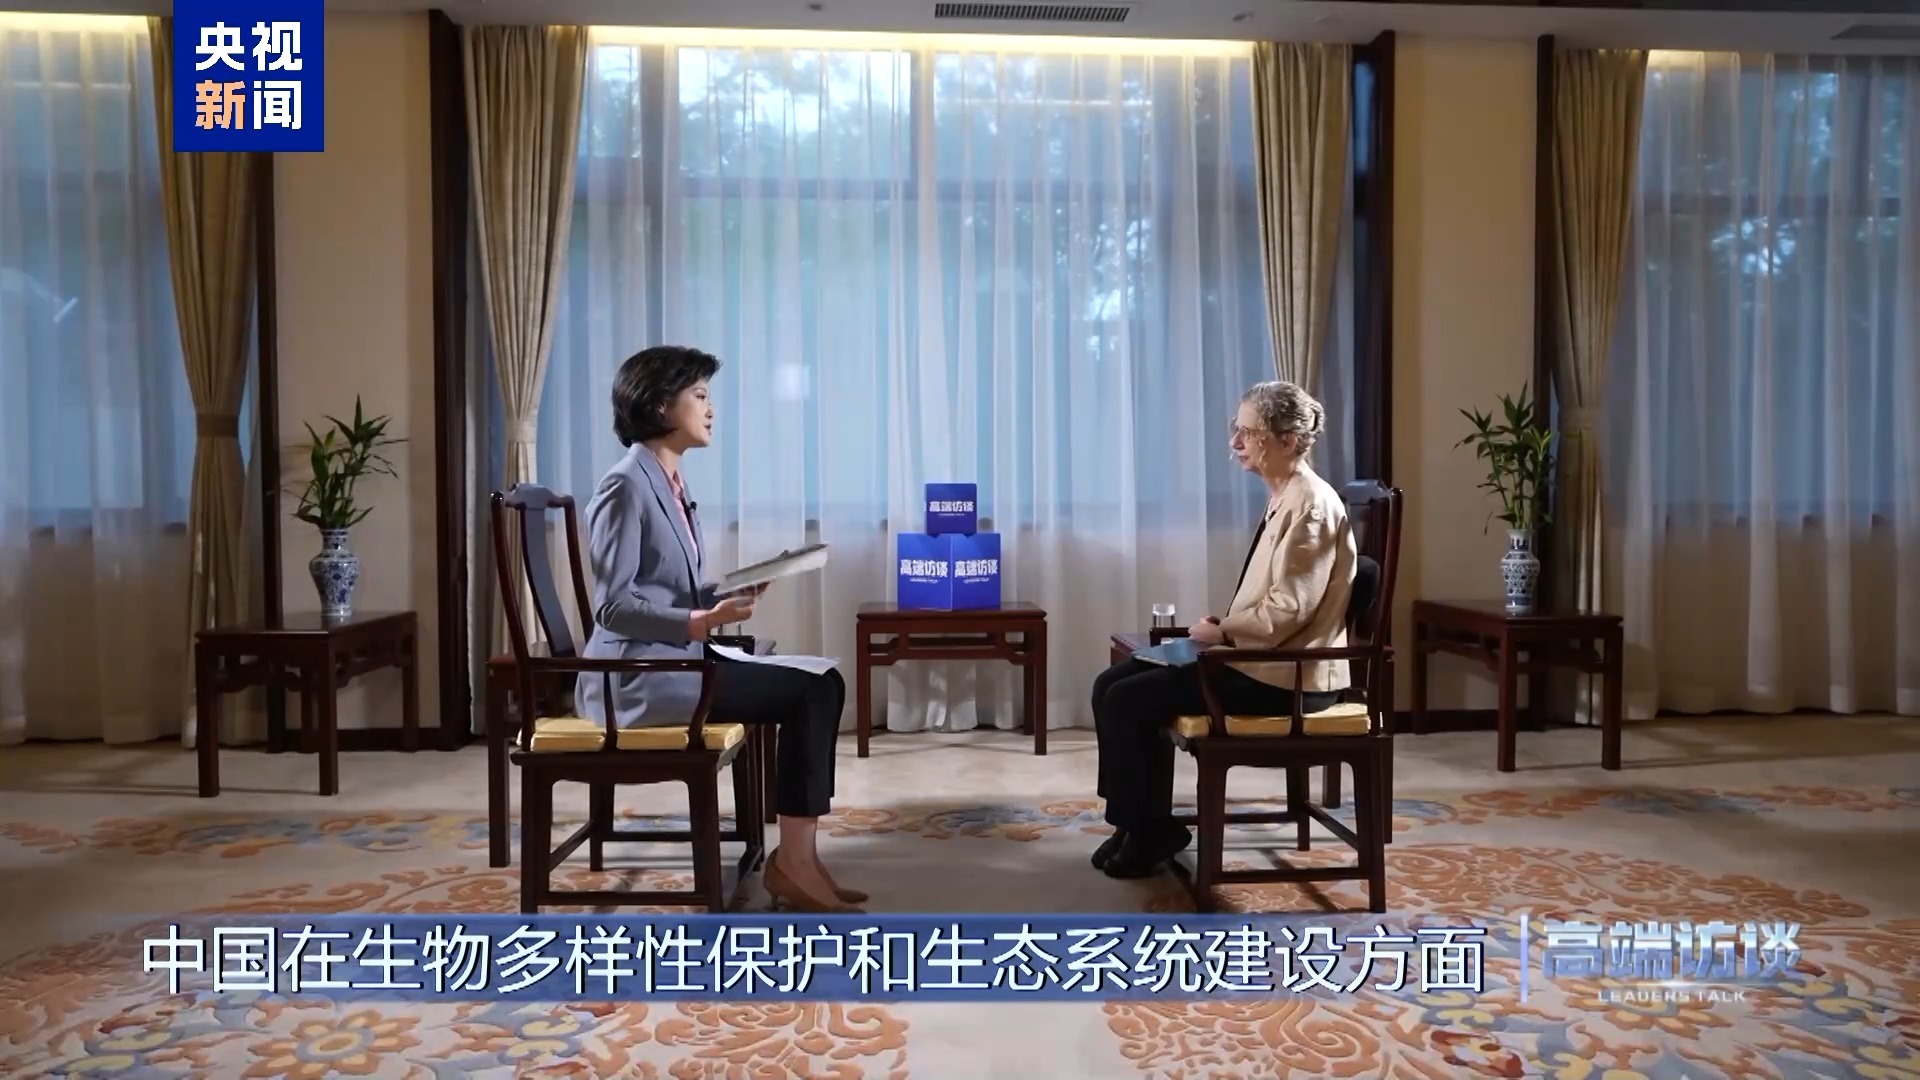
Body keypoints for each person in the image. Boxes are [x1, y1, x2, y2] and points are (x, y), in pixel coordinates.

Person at [576, 345, 864, 913]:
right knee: (812, 690)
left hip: (675, 660)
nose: (710, 410)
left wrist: (723, 595)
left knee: (824, 680)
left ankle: (801, 859)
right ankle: (794, 863)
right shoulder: (625, 486)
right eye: (700, 396)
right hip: (636, 676)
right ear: (661, 406)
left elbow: (665, 588)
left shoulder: (671, 484)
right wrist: (701, 621)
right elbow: (613, 607)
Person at [1087, 380, 1358, 879]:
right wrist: (1224, 629)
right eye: (1238, 428)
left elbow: (1288, 612)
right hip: (1260, 660)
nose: (1236, 441)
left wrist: (1223, 632)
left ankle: (1148, 830)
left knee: (1128, 699)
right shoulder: (1285, 495)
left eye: (1249, 433)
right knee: (1110, 684)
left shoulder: (1311, 506)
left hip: (1287, 678)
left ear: (1287, 441)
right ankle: (1136, 822)